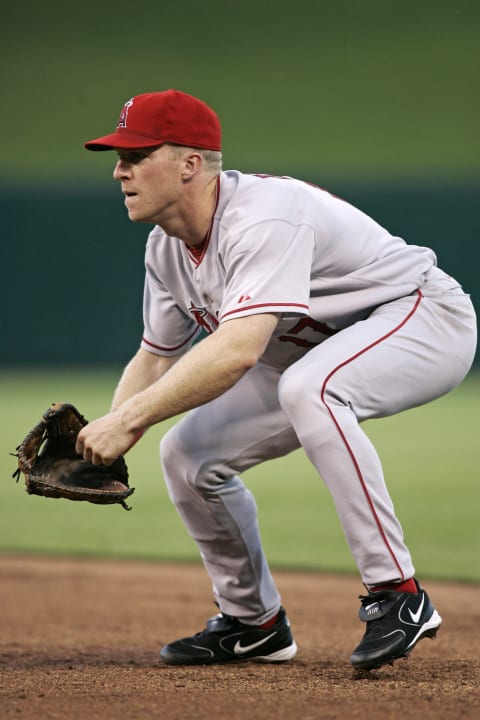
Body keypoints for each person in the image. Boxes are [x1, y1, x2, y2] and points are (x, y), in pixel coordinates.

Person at [79, 89, 477, 670]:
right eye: (119, 156)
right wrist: (109, 441)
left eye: (137, 155)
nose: (120, 170)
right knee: (187, 457)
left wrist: (125, 421)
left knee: (312, 388)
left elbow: (237, 352)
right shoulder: (165, 250)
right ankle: (254, 622)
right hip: (310, 352)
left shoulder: (262, 217)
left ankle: (400, 595)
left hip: (420, 316)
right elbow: (156, 357)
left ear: (191, 164)